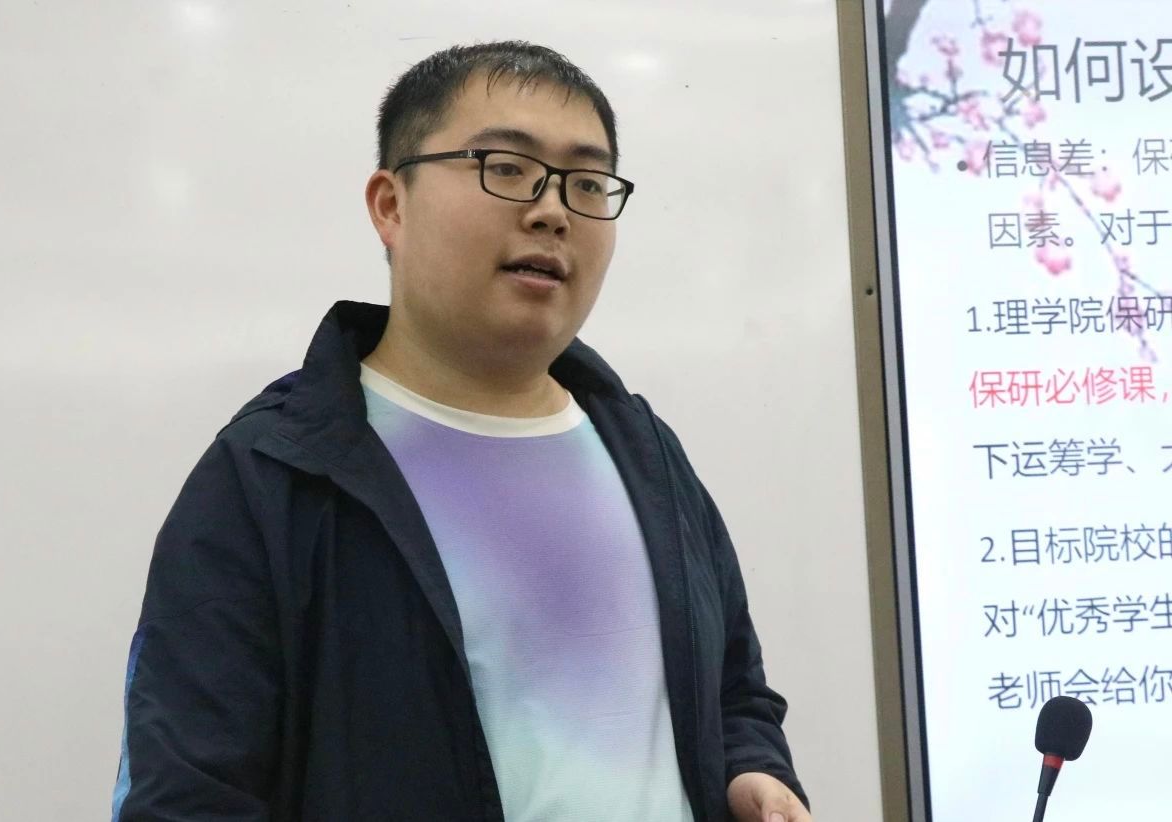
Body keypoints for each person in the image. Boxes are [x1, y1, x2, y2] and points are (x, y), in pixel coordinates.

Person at [111, 41, 810, 822]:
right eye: (506, 168)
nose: (552, 211)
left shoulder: (645, 453)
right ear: (391, 206)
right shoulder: (271, 477)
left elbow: (735, 690)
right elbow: (189, 796)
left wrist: (753, 769)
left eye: (586, 183)